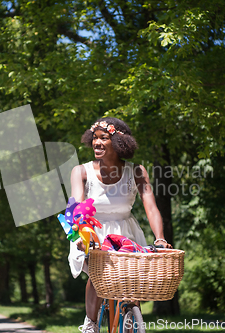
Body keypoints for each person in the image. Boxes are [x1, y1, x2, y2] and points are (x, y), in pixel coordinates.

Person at [68, 117, 172, 333]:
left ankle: (131, 320)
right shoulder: (82, 171)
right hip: (92, 231)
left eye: (103, 138)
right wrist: (81, 234)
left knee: (132, 282)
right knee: (98, 275)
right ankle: (91, 323)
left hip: (126, 232)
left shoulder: (136, 172)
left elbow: (151, 208)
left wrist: (160, 238)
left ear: (118, 143)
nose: (96, 143)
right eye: (94, 138)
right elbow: (77, 205)